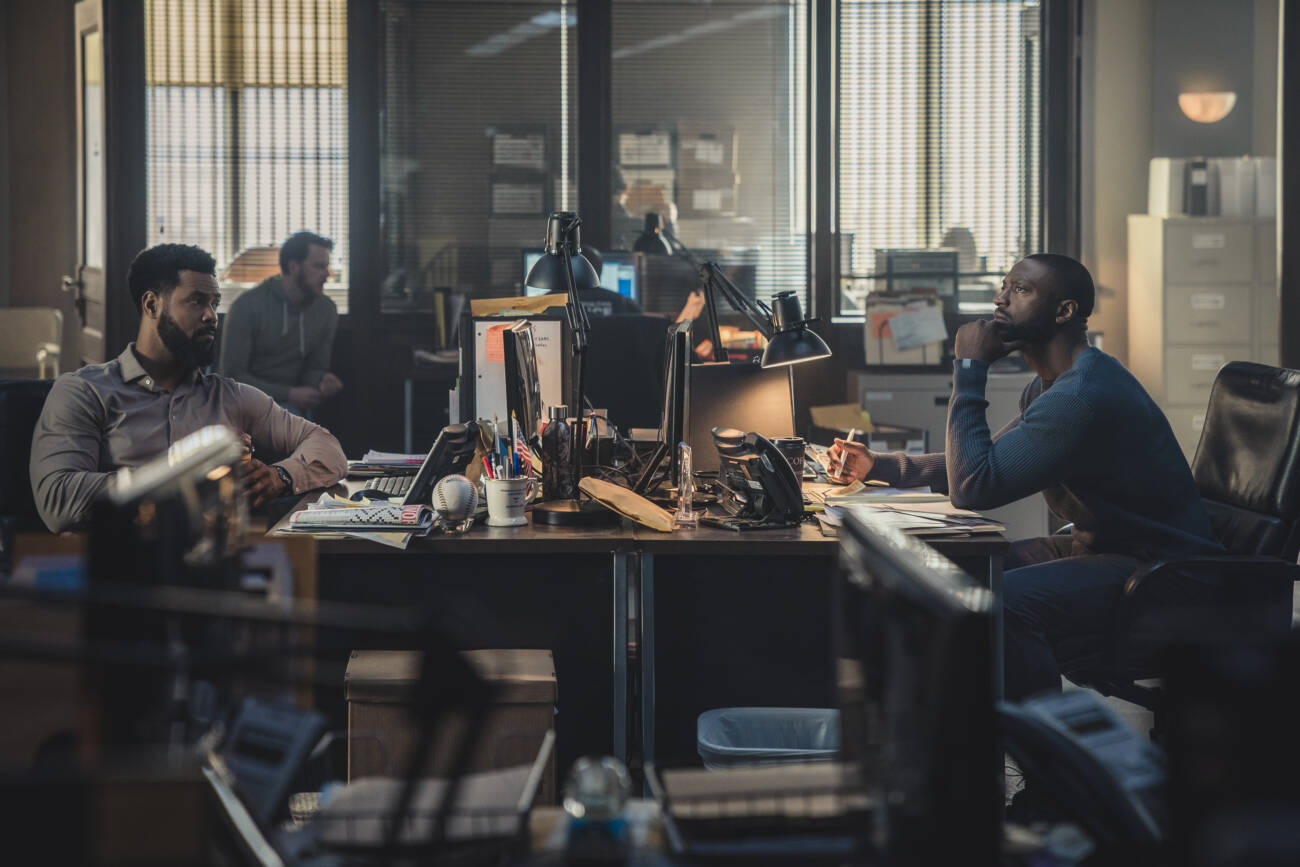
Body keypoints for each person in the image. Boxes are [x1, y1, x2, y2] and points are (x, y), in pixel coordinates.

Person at [828, 253, 1223, 701]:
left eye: (1020, 289)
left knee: (1003, 602)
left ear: (1064, 311)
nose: (1000, 299)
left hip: (1164, 574)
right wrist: (879, 467)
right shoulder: (1053, 385)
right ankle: (960, 735)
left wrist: (970, 371)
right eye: (1003, 286)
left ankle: (1046, 755)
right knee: (970, 574)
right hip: (1111, 550)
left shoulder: (1080, 397)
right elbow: (988, 460)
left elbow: (975, 487)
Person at [31, 243, 348, 533]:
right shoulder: (84, 391)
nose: (211, 315)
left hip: (213, 572)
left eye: (214, 302)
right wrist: (191, 467)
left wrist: (280, 477)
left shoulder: (232, 397)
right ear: (152, 305)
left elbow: (327, 446)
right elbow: (59, 500)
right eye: (197, 301)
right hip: (117, 578)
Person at [219, 231, 343, 415]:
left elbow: (315, 367)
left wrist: (322, 381)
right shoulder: (247, 306)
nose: (327, 274)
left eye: (327, 266)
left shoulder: (326, 310)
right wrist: (289, 394)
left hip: (295, 406)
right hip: (246, 404)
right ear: (293, 267)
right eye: (319, 266)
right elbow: (231, 378)